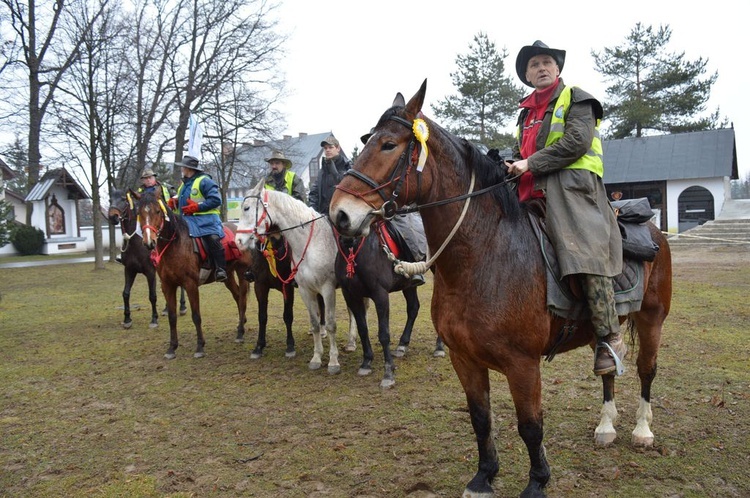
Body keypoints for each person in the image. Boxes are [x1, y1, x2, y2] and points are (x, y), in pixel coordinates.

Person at [505, 40, 625, 376]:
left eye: (547, 62)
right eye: (534, 65)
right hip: (527, 197)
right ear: (527, 76)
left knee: (585, 254)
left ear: (557, 69)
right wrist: (510, 164)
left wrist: (529, 163)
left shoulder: (577, 98)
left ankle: (609, 335)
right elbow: (520, 154)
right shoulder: (525, 113)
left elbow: (577, 142)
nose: (541, 68)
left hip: (573, 195)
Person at [242, 150, 307, 283]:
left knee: (297, 243)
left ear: (283, 164)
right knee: (254, 239)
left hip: (289, 222)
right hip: (269, 222)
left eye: (276, 163)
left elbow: (300, 201)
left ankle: (297, 271)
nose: (273, 166)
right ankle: (252, 269)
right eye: (271, 163)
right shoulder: (264, 181)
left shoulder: (294, 178)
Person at [167, 155, 227, 282]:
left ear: (189, 168)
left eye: (183, 167)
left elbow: (216, 200)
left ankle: (220, 269)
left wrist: (197, 207)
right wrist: (175, 202)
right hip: (186, 220)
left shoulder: (205, 181)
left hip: (207, 220)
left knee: (212, 239)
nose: (182, 169)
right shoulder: (184, 184)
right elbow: (184, 200)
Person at [115, 169, 172, 264]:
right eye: (145, 179)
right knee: (130, 230)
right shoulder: (139, 191)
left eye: (150, 178)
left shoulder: (165, 188)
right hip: (144, 217)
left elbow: (173, 198)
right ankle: (125, 253)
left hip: (161, 217)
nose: (148, 180)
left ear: (154, 178)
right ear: (142, 180)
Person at [308, 134, 351, 216]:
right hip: (323, 217)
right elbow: (314, 193)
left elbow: (347, 188)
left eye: (330, 147)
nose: (327, 150)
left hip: (343, 217)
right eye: (325, 148)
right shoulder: (322, 170)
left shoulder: (348, 167)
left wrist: (333, 171)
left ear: (338, 148)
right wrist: (312, 212)